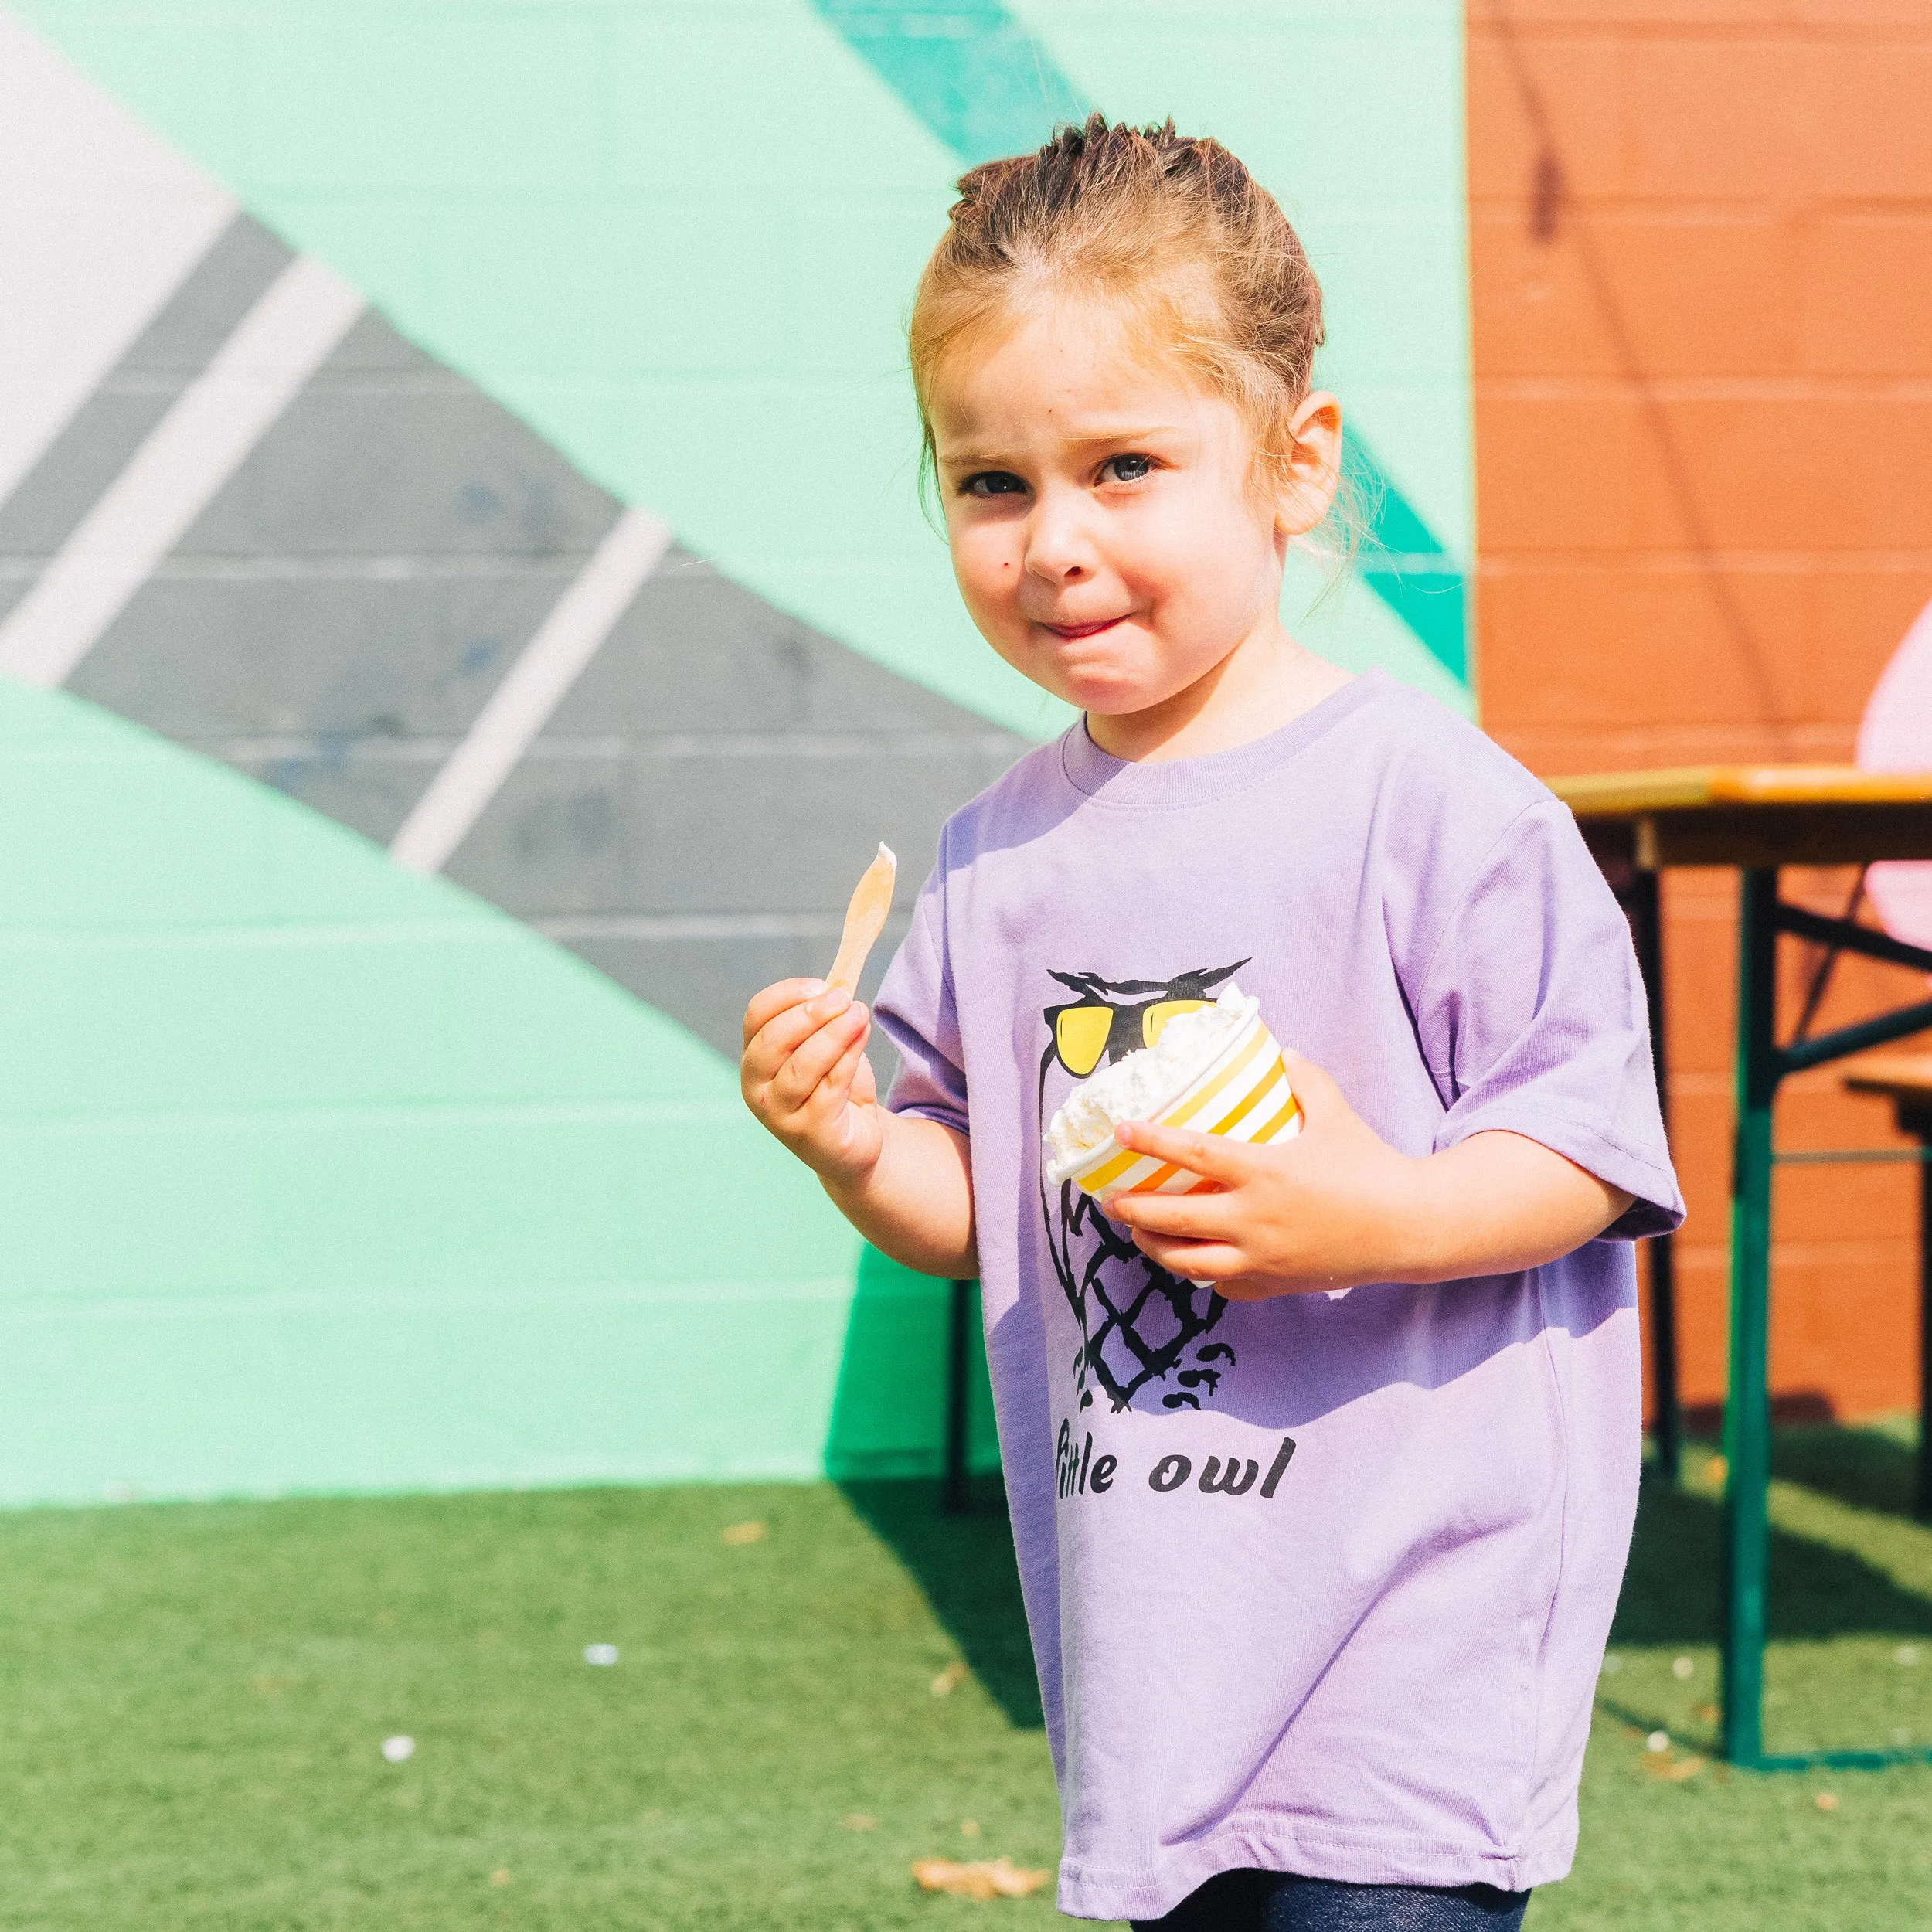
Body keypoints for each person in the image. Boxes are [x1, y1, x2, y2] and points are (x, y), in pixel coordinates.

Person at [740, 116, 1682, 1930]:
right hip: (1166, 1629)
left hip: (1419, 1614)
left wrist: (1370, 1219)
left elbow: (1588, 1143)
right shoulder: (996, 858)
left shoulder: (1437, 804)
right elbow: (976, 1209)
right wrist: (859, 1141)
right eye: (990, 482)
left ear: (1290, 464)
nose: (1054, 542)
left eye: (1121, 465)